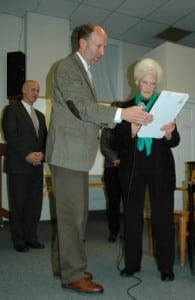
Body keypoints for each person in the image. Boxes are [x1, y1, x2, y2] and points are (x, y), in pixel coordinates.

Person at [45, 23, 153, 294]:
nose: (103, 51)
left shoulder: (84, 70)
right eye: (99, 45)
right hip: (68, 154)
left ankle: (63, 264)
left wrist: (124, 123)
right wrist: (121, 114)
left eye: (105, 47)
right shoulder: (68, 67)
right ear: (83, 43)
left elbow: (89, 113)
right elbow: (79, 107)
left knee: (71, 215)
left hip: (75, 155)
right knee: (74, 217)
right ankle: (73, 274)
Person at [112, 58, 180, 282]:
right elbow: (116, 142)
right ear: (137, 81)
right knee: (132, 218)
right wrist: (131, 130)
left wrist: (170, 133)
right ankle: (132, 264)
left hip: (160, 169)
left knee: (162, 218)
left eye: (153, 83)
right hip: (133, 169)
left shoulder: (166, 105)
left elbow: (174, 140)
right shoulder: (125, 107)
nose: (149, 87)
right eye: (145, 82)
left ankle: (166, 267)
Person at [2, 80, 47, 253]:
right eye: (33, 90)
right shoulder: (12, 111)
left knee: (34, 205)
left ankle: (31, 237)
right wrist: (27, 154)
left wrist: (42, 154)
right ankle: (19, 241)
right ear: (23, 90)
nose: (36, 93)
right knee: (19, 204)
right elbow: (11, 136)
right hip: (19, 166)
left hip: (37, 166)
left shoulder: (40, 116)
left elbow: (45, 140)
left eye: (38, 90)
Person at [100, 101, 123, 243]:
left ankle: (129, 232)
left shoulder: (127, 127)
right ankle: (114, 231)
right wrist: (115, 159)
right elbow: (103, 147)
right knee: (113, 202)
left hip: (126, 169)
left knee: (128, 202)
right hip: (110, 169)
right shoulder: (106, 129)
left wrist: (122, 160)